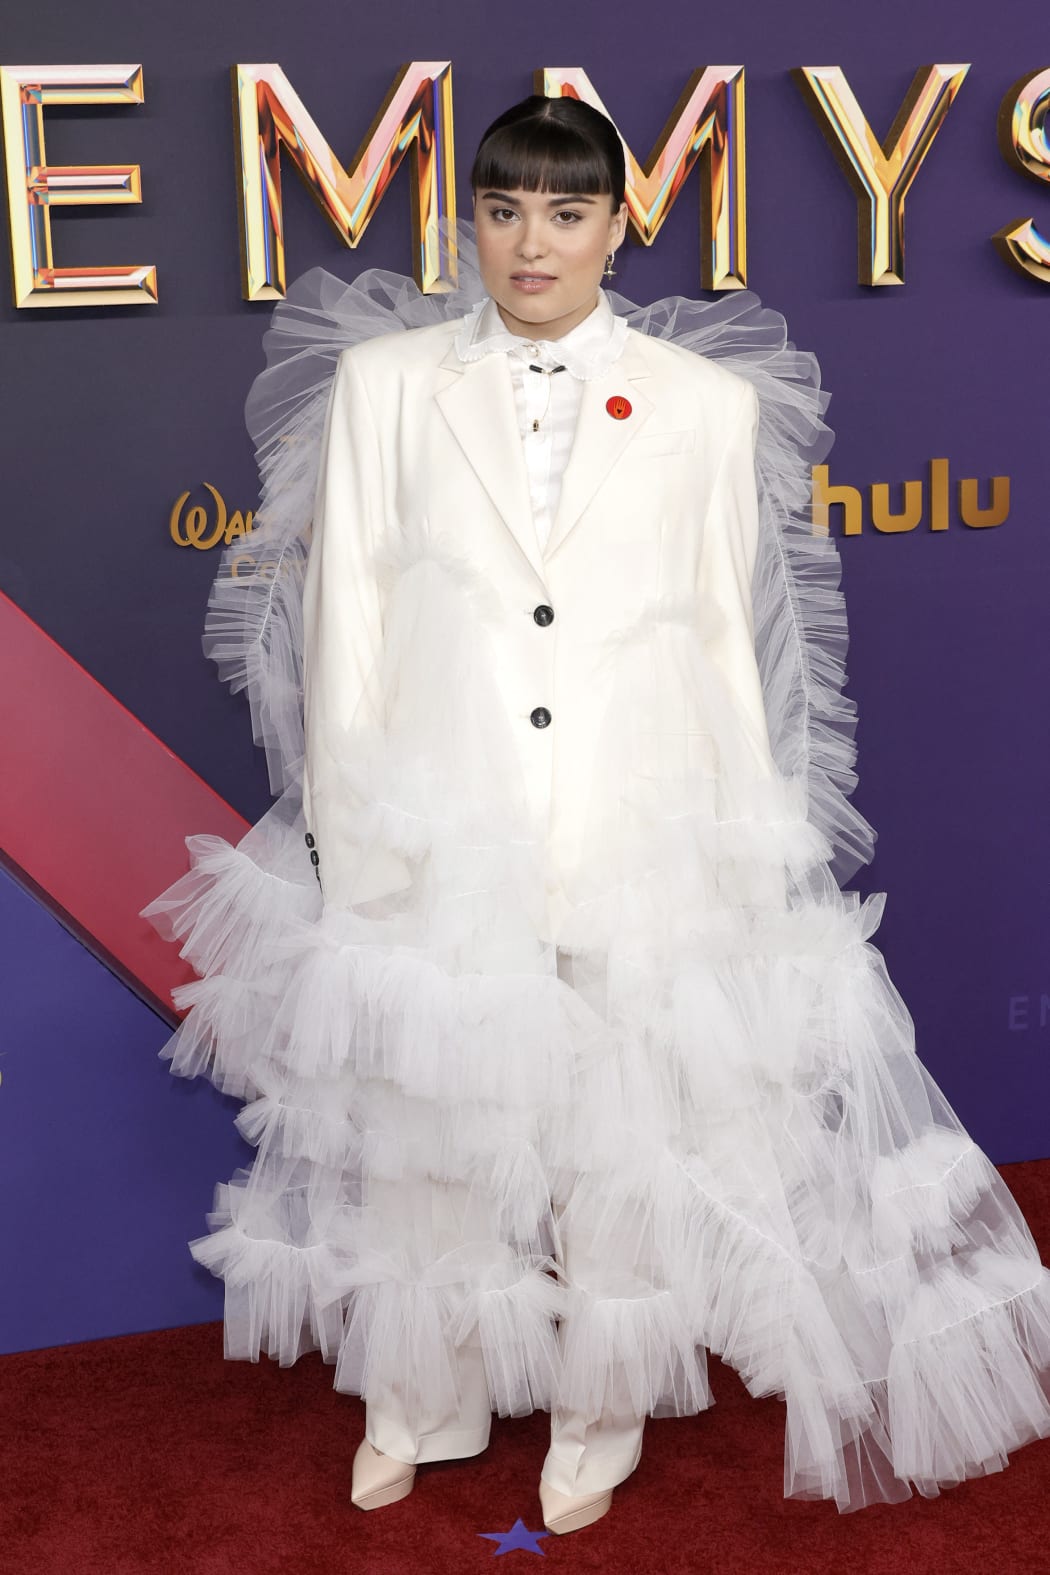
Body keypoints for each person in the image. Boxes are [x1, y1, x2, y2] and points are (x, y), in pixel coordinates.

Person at [143, 94, 1050, 1535]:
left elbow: (722, 642)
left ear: (619, 225)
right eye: (501, 211)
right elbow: (347, 624)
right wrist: (360, 836)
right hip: (442, 826)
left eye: (564, 213)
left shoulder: (709, 406)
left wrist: (741, 843)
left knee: (619, 1140)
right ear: (470, 225)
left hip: (643, 829)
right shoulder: (384, 385)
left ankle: (599, 1409)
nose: (530, 243)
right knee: (432, 1130)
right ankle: (420, 1400)